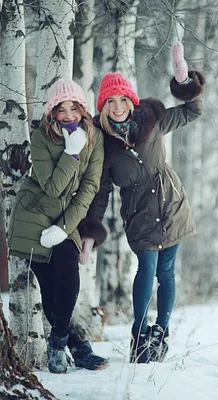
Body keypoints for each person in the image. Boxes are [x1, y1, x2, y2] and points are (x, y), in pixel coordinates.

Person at [85, 42, 205, 363]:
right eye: (111, 101)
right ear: (104, 106)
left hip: (172, 207)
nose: (118, 106)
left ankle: (161, 333)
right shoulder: (104, 146)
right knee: (146, 268)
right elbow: (99, 192)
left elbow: (193, 110)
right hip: (138, 215)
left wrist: (182, 77)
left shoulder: (153, 121)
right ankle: (139, 336)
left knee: (166, 273)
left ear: (130, 100)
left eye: (122, 99)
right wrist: (90, 232)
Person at [7, 78, 109, 373]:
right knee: (51, 289)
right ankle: (79, 349)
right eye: (61, 109)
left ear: (82, 109)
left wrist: (65, 229)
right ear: (52, 112)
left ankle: (58, 343)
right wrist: (71, 153)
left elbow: (90, 187)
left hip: (67, 217)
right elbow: (52, 188)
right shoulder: (41, 138)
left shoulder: (95, 138)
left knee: (69, 276)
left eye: (73, 108)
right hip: (33, 216)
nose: (68, 116)